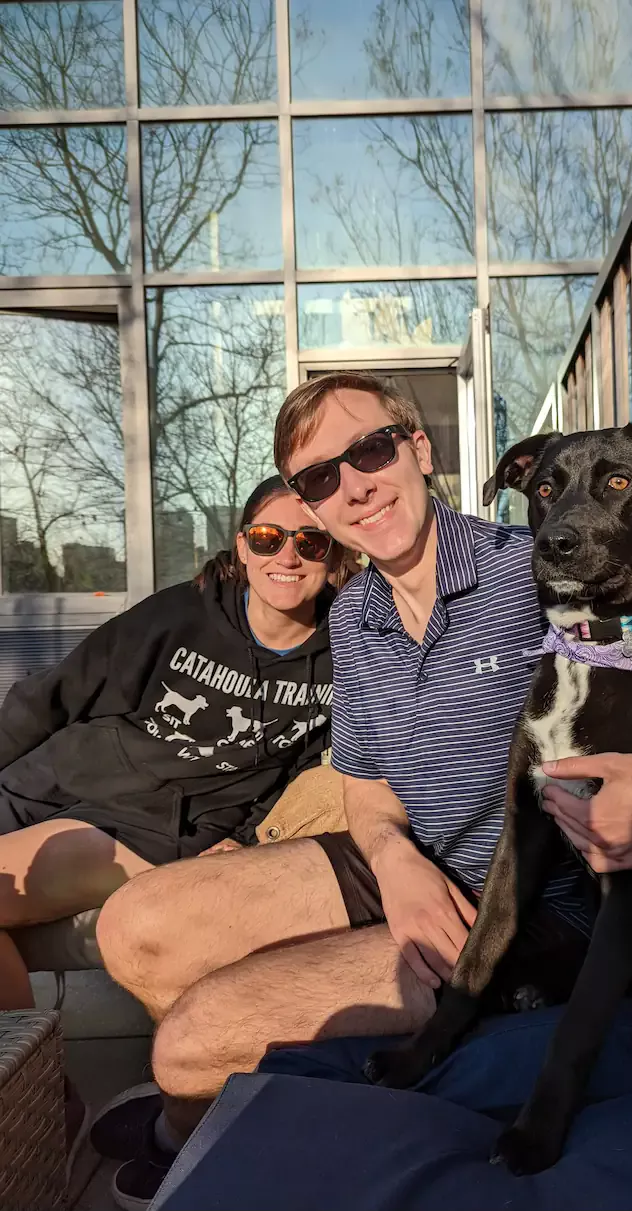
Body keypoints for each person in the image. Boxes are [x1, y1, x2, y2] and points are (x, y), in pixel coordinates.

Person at [94, 373, 632, 1209]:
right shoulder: (355, 614)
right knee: (134, 927)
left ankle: (204, 1126)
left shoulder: (544, 570)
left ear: (417, 447)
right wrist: (393, 857)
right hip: (412, 862)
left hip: (526, 903)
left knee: (191, 1041)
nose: (353, 485)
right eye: (320, 477)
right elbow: (364, 787)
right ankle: (213, 1116)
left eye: (367, 449)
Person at [0, 475, 339, 1170]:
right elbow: (51, 697)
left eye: (310, 540)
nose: (288, 555)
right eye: (269, 538)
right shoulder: (178, 617)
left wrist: (243, 843)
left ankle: (44, 1101)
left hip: (143, 829)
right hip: (49, 783)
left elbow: (296, 777)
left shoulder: (344, 655)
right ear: (242, 547)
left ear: (335, 555)